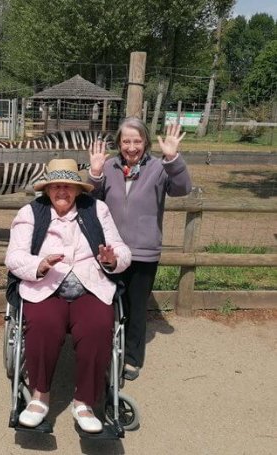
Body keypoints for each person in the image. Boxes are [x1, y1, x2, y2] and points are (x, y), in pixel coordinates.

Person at [5, 158, 131, 433]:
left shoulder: (97, 209)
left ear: (77, 189)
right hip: (45, 286)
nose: (62, 191)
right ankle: (40, 397)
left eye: (68, 186)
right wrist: (39, 265)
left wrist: (111, 260)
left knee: (99, 326)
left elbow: (122, 250)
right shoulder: (30, 212)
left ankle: (83, 402)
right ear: (47, 189)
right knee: (43, 325)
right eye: (56, 186)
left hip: (91, 285)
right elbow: (13, 257)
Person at [87, 117, 192, 381]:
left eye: (137, 141)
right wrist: (95, 174)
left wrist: (173, 159)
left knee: (135, 307)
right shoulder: (109, 166)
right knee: (106, 303)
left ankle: (132, 357)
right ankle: (106, 350)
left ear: (145, 141)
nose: (131, 147)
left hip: (144, 251)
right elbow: (91, 202)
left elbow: (182, 189)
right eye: (126, 141)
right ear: (119, 142)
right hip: (110, 251)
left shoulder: (159, 167)